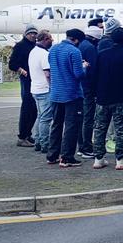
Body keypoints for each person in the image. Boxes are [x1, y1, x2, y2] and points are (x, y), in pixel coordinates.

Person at [91, 27, 123, 170]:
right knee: (120, 130)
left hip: (102, 98)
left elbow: (93, 77)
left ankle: (98, 158)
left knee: (100, 128)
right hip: (120, 98)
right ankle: (121, 159)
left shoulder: (101, 55)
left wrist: (95, 94)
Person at [47, 29, 89, 167]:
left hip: (55, 93)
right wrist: (84, 67)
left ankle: (52, 155)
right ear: (76, 40)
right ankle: (67, 157)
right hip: (71, 94)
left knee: (56, 124)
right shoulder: (74, 51)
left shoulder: (53, 49)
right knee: (72, 125)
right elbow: (78, 75)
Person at [8, 24, 38, 147]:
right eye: (30, 33)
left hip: (35, 80)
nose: (33, 35)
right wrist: (21, 70)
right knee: (27, 108)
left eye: (35, 33)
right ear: (25, 34)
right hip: (26, 80)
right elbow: (12, 64)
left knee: (35, 109)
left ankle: (28, 134)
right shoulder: (20, 46)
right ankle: (22, 137)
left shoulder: (35, 46)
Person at [76, 25, 102, 159]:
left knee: (82, 117)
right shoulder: (91, 48)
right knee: (88, 117)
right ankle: (86, 146)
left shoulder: (81, 45)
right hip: (89, 88)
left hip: (81, 86)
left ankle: (81, 145)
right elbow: (94, 70)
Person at [28, 30, 53, 153]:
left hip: (35, 88)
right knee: (46, 118)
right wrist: (52, 87)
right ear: (44, 39)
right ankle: (45, 143)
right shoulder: (44, 54)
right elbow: (47, 73)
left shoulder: (33, 52)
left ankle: (38, 140)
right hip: (44, 89)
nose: (52, 41)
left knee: (40, 116)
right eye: (50, 39)